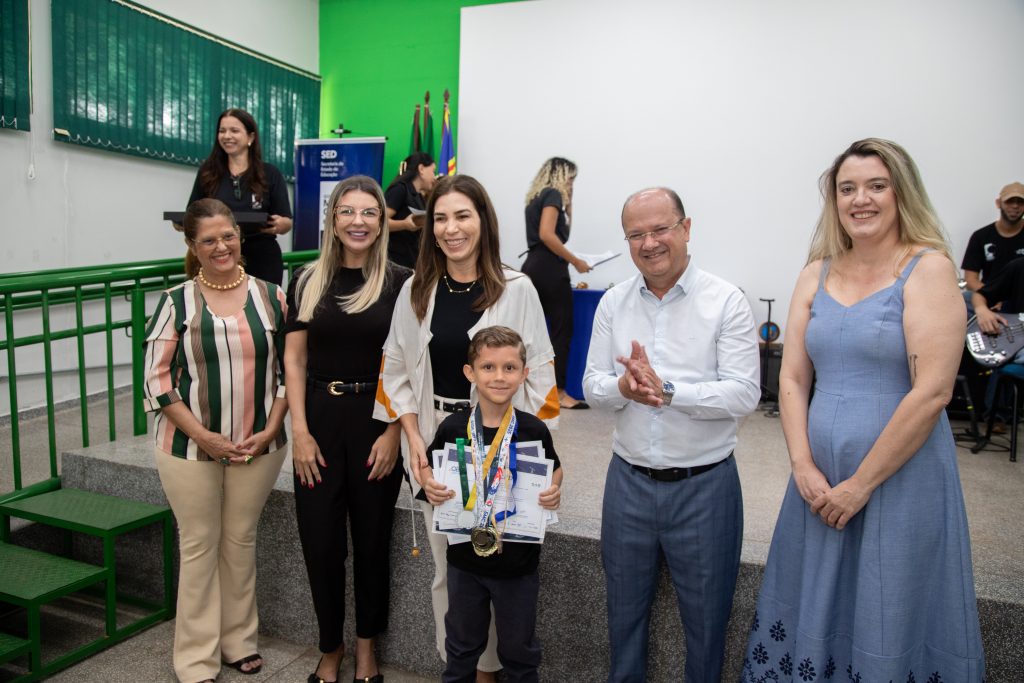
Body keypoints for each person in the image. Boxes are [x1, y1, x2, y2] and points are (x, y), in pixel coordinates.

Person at [741, 139, 985, 682]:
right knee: (818, 598)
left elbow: (933, 392)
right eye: (847, 188)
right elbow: (794, 378)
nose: (861, 199)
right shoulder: (817, 272)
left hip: (900, 476)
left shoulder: (928, 268)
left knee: (888, 598)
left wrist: (862, 483)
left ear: (902, 192)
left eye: (877, 186)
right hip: (819, 480)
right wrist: (803, 465)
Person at [375, 174, 559, 682]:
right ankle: (466, 669)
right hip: (440, 440)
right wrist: (413, 438)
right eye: (440, 218)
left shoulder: (517, 287)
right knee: (450, 571)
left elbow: (539, 372)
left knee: (505, 568)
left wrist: (542, 462)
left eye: (463, 216)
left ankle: (499, 667)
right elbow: (394, 369)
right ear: (429, 227)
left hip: (505, 440)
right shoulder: (416, 289)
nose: (451, 228)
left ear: (484, 221)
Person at [582, 187, 760, 683]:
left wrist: (670, 391)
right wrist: (623, 387)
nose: (649, 242)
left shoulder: (726, 301)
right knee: (623, 619)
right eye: (636, 234)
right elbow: (592, 386)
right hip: (628, 483)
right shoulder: (614, 302)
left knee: (706, 627)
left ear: (686, 228)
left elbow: (745, 393)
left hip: (705, 487)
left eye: (660, 229)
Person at [143, 198, 288, 683]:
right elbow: (156, 382)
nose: (221, 246)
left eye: (227, 235)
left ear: (239, 237)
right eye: (208, 240)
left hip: (260, 443)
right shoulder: (174, 301)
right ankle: (195, 659)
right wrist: (206, 436)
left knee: (240, 539)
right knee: (200, 544)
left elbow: (292, 370)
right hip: (188, 447)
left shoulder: (273, 297)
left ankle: (238, 641)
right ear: (192, 246)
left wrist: (272, 427)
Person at [283, 176, 411, 683]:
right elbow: (294, 361)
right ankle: (329, 649)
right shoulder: (306, 278)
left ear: (382, 221)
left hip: (376, 422)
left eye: (369, 212)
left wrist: (394, 433)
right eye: (347, 211)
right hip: (317, 420)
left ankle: (365, 651)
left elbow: (408, 366)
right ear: (333, 220)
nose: (358, 221)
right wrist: (299, 430)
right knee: (320, 542)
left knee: (373, 541)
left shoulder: (402, 282)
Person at [418, 326, 563, 683]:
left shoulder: (534, 430)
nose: (499, 377)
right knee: (462, 648)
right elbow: (429, 475)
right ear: (470, 373)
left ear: (524, 374)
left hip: (518, 564)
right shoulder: (452, 428)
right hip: (465, 563)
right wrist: (431, 487)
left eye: (509, 368)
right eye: (488, 367)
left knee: (519, 652)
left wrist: (554, 490)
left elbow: (555, 471)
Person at [187, 108, 293, 285]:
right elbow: (192, 213)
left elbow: (286, 221)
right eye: (222, 131)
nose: (227, 136)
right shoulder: (207, 172)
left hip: (262, 256)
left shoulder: (270, 173)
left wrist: (280, 225)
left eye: (234, 131)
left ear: (250, 137)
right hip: (218, 254)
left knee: (263, 309)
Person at [521, 157, 593, 409]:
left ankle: (526, 388)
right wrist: (576, 261)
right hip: (550, 268)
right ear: (563, 176)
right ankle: (560, 393)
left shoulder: (536, 197)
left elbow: (548, 234)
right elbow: (547, 235)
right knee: (562, 330)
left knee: (529, 332)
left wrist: (569, 208)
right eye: (571, 178)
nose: (572, 184)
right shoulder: (552, 195)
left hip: (532, 265)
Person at [960, 181, 1024, 292]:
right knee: (964, 299)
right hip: (989, 298)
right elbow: (970, 279)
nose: (1015, 206)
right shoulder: (980, 236)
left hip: (1020, 298)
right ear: (998, 203)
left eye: (1020, 202)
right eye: (1010, 201)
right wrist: (990, 296)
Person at [385, 152, 437, 269]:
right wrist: (404, 224)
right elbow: (378, 221)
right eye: (433, 171)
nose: (434, 177)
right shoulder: (400, 189)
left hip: (412, 260)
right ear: (421, 169)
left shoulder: (418, 196)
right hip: (396, 262)